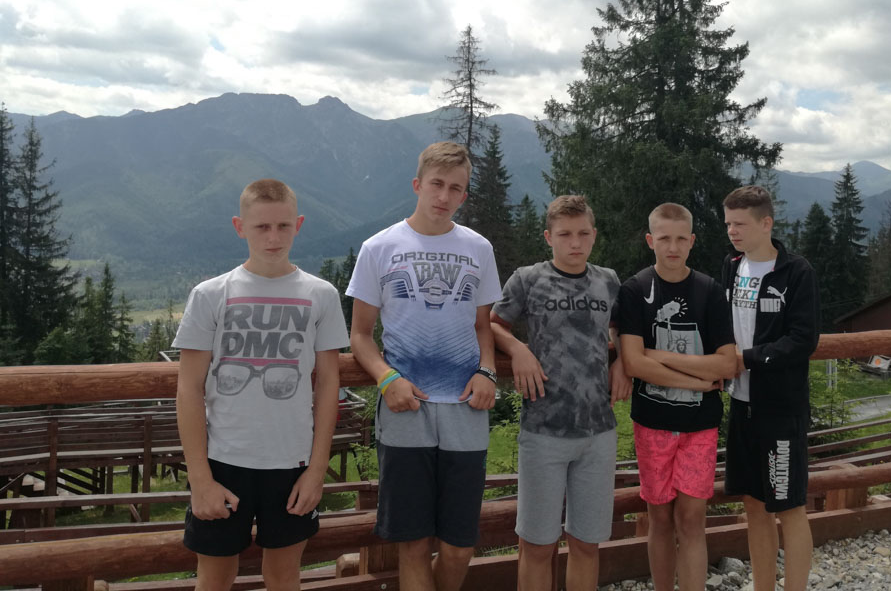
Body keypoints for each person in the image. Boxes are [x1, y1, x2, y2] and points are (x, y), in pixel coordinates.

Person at [174, 179, 347, 591]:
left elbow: (328, 386)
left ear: (298, 225)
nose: (273, 237)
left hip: (292, 463)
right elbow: (189, 389)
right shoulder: (210, 295)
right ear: (240, 227)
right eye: (262, 227)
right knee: (215, 576)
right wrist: (200, 479)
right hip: (223, 460)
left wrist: (317, 470)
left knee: (284, 575)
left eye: (283, 226)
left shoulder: (321, 295)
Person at [346, 141, 501, 591]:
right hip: (405, 406)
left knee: (459, 545)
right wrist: (386, 378)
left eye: (455, 188)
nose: (444, 196)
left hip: (465, 407)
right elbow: (360, 335)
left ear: (464, 194)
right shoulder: (379, 247)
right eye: (436, 184)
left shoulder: (478, 248)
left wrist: (488, 371)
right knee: (412, 542)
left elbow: (483, 326)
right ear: (418, 184)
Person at [490, 195, 631, 591]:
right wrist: (518, 350)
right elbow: (493, 323)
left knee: (587, 543)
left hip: (598, 431)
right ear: (548, 237)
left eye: (583, 233)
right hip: (543, 429)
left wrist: (622, 360)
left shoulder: (608, 280)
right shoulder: (528, 279)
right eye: (565, 234)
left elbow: (624, 328)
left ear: (594, 235)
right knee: (537, 544)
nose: (575, 242)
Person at [616, 202, 735, 591]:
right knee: (660, 520)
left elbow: (726, 363)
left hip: (700, 426)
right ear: (650, 240)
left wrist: (659, 356)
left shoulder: (709, 291)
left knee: (692, 519)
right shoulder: (635, 290)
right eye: (664, 238)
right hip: (652, 423)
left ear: (692, 241)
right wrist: (697, 380)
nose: (673, 247)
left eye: (681, 239)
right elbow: (633, 363)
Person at [722, 185, 820, 591]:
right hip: (740, 404)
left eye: (740, 224)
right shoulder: (731, 267)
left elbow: (803, 339)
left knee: (789, 506)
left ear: (766, 223)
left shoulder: (797, 272)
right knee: (753, 505)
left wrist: (746, 358)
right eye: (728, 223)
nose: (732, 231)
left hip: (780, 408)